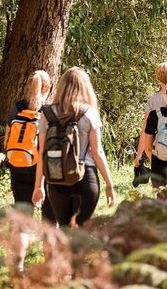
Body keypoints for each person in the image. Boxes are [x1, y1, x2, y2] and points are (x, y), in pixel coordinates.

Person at [32, 67, 115, 227]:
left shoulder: (47, 113)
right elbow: (97, 152)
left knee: (64, 230)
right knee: (81, 232)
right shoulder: (89, 113)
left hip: (57, 179)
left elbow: (42, 152)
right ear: (85, 87)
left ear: (61, 86)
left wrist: (38, 186)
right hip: (86, 178)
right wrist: (109, 185)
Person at [3, 70, 56, 274]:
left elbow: (7, 137)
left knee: (23, 217)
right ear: (48, 87)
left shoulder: (18, 107)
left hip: (18, 166)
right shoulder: (50, 110)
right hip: (44, 171)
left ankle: (18, 266)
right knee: (50, 220)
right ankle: (50, 266)